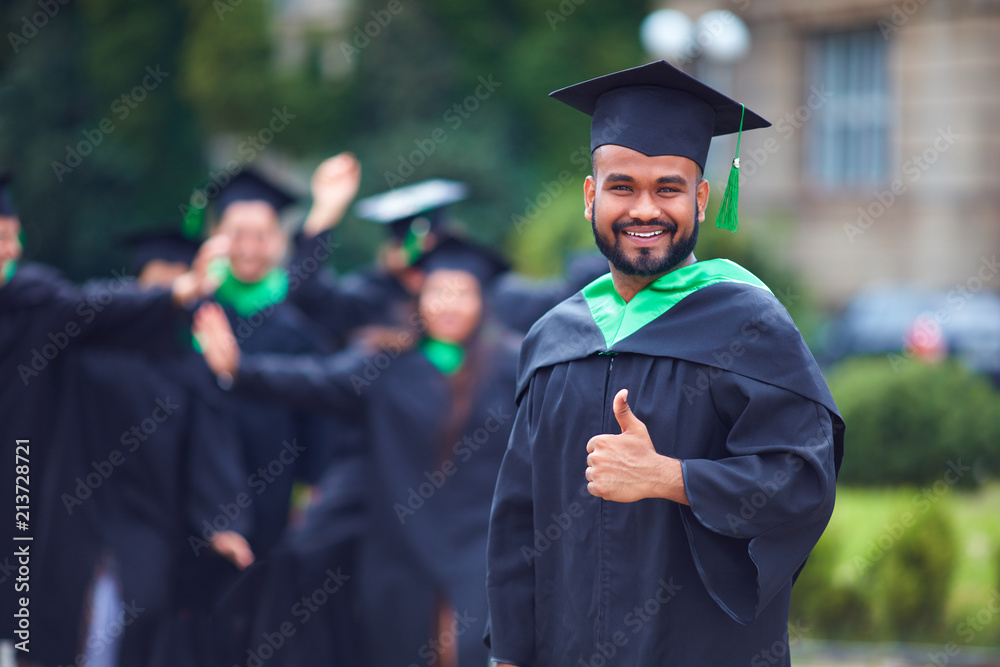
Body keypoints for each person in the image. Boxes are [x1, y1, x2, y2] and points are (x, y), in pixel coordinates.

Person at [485, 60, 844, 666]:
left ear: (701, 199)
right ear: (590, 195)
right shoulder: (555, 339)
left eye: (668, 188)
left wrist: (672, 478)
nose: (644, 210)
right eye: (622, 186)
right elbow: (518, 517)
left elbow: (802, 484)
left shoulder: (750, 327)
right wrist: (510, 653)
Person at [194, 235, 521, 667]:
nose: (450, 304)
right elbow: (312, 380)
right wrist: (241, 370)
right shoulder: (386, 364)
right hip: (401, 547)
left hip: (478, 545)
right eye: (438, 292)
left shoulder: (508, 367)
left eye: (463, 293)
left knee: (471, 650)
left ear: (483, 302)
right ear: (419, 297)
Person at [0, 174, 211, 655]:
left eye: (13, 237)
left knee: (21, 611)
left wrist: (176, 293)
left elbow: (100, 307)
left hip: (18, 477)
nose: (9, 250)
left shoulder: (36, 304)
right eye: (0, 238)